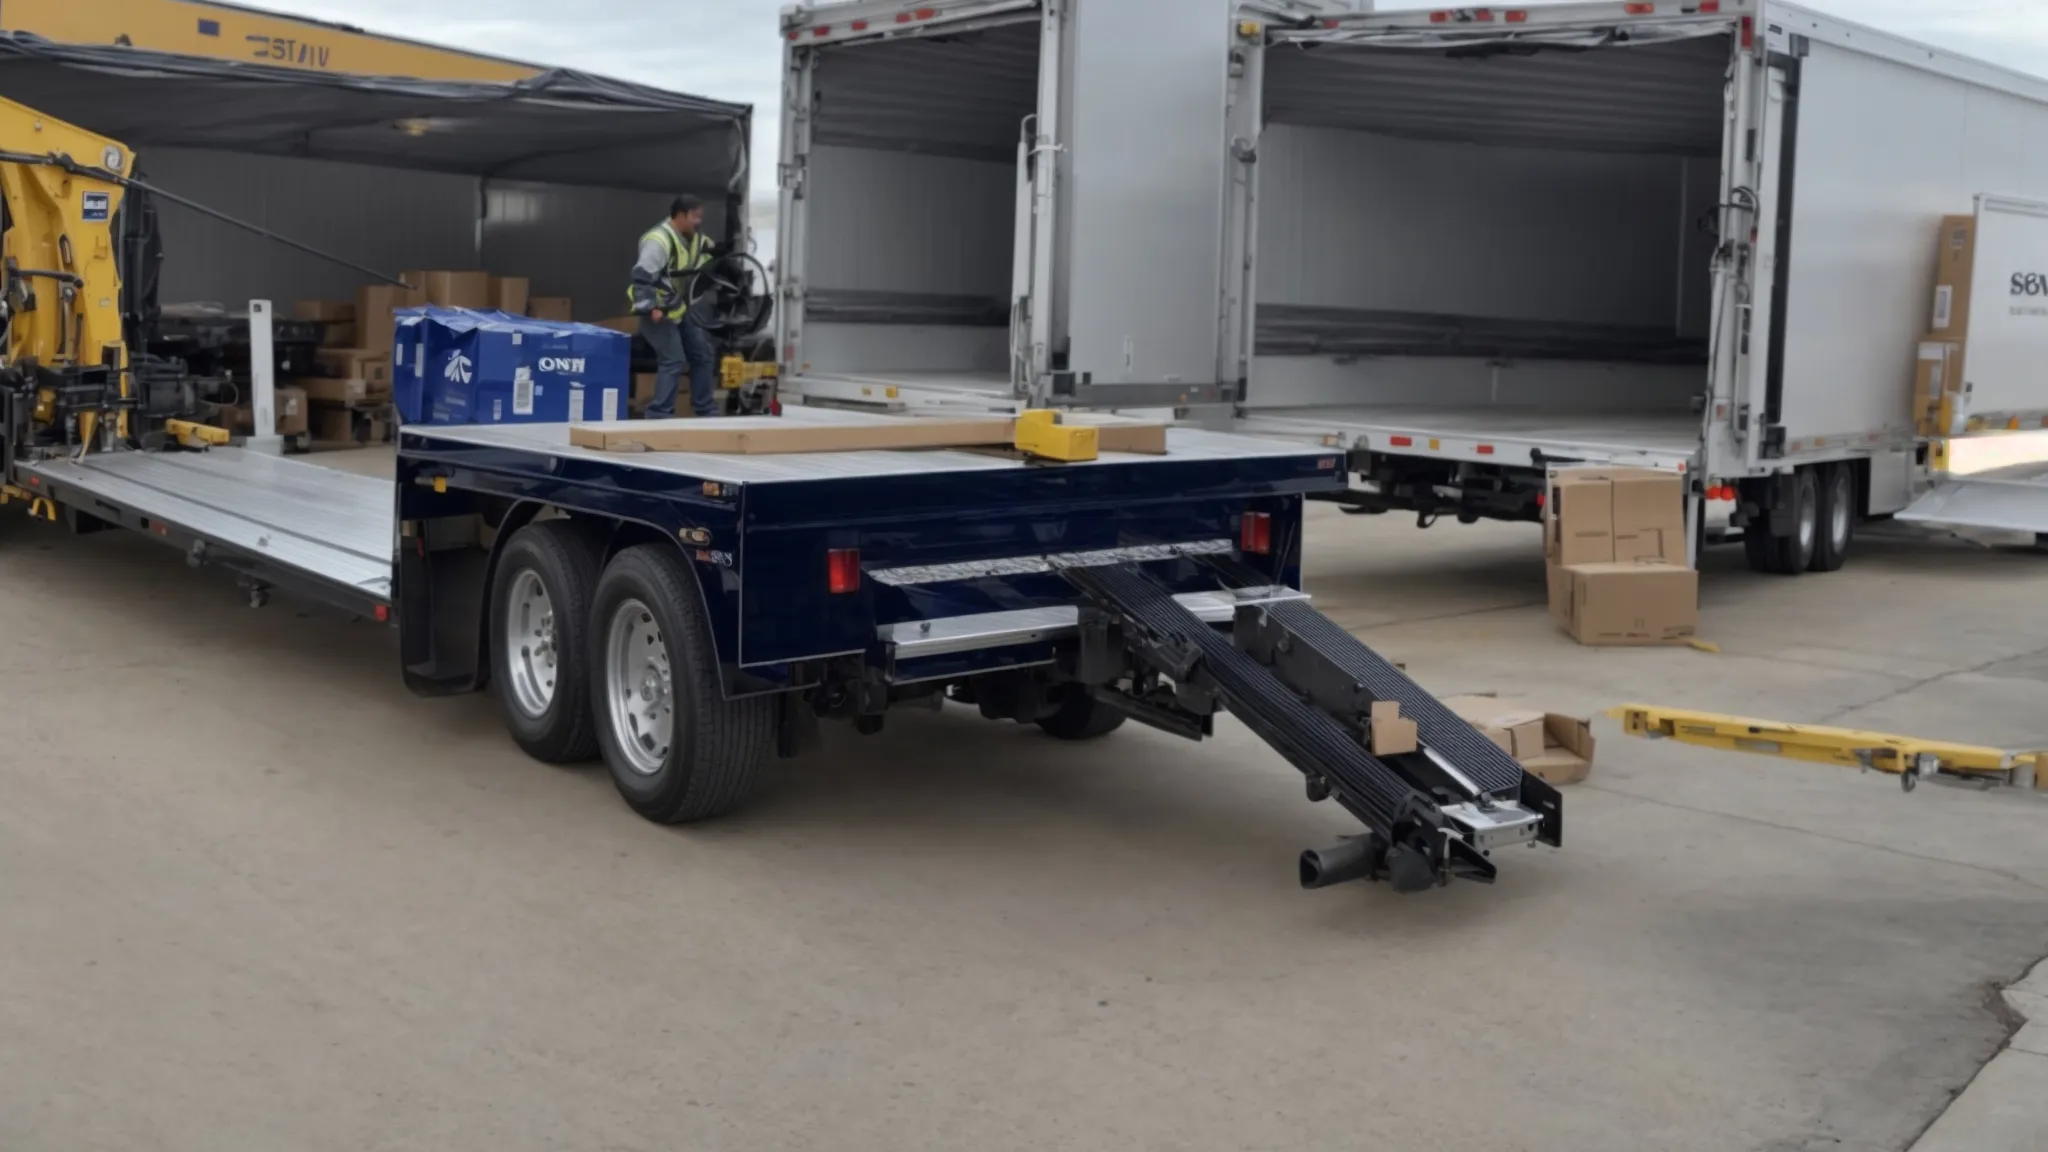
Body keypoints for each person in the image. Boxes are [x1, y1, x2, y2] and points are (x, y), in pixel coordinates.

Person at [629, 195, 719, 418]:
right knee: (674, 358)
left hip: (678, 306)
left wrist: (724, 260)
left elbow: (710, 252)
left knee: (703, 355)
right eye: (695, 217)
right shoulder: (658, 240)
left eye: (701, 217)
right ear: (679, 216)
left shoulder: (696, 238)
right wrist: (650, 307)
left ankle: (705, 409)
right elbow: (642, 276)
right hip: (657, 310)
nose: (699, 222)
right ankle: (659, 414)